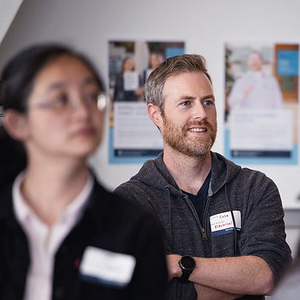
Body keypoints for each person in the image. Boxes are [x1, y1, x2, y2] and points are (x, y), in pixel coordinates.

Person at [115, 54, 292, 300]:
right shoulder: (129, 202)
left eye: (208, 102)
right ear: (156, 114)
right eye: (186, 103)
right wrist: (239, 283)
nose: (201, 113)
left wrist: (180, 265)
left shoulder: (255, 188)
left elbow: (270, 274)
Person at [0, 43, 168, 300]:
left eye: (92, 97)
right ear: (17, 123)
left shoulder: (135, 229)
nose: (83, 112)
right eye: (61, 100)